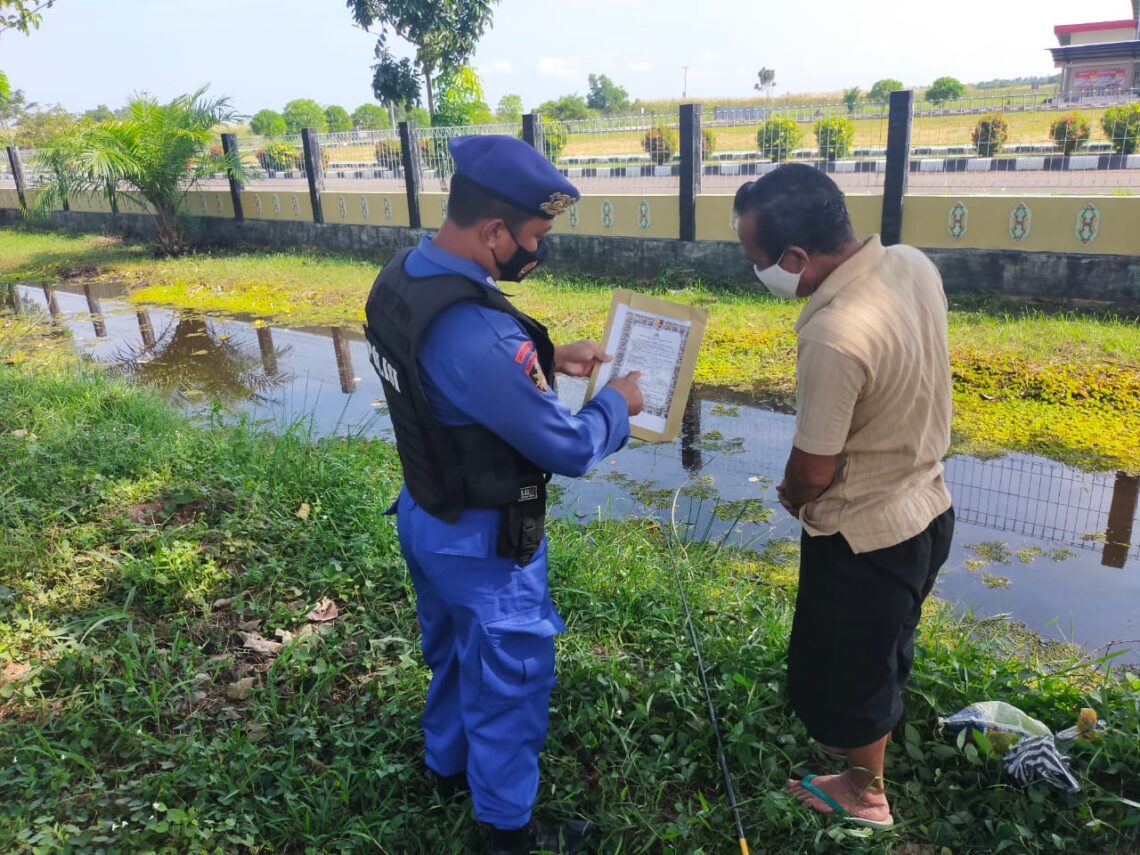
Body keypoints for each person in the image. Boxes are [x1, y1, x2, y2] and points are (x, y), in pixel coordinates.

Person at [364, 134, 643, 855]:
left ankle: (445, 766)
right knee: (508, 686)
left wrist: (547, 356)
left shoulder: (401, 277)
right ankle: (509, 832)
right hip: (485, 547)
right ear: (493, 233)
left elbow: (447, 370)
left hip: (427, 514)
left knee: (455, 657)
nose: (537, 252)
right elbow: (571, 447)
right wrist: (617, 402)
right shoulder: (482, 333)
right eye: (534, 236)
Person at [733, 164, 955, 830]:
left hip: (866, 536)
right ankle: (867, 766)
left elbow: (813, 467)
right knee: (884, 651)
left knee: (851, 671)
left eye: (758, 261)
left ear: (796, 257)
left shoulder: (833, 333)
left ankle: (866, 795)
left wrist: (790, 497)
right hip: (928, 508)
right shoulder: (910, 266)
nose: (758, 272)